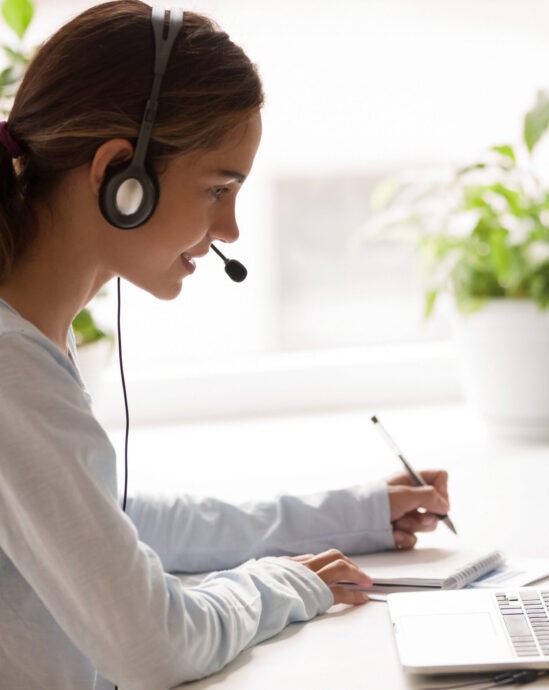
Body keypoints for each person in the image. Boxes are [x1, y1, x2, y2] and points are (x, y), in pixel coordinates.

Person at [0, 2, 451, 689]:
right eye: (217, 188)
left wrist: (350, 514)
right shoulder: (12, 370)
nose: (232, 228)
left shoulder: (25, 343)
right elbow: (153, 649)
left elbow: (110, 522)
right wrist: (280, 586)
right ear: (121, 178)